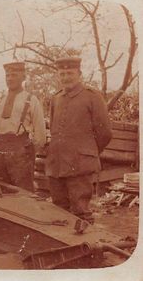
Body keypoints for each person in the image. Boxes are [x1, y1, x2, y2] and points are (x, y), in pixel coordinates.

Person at [45, 57, 112, 223]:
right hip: (57, 165)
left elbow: (105, 133)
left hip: (80, 165)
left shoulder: (92, 97)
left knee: (81, 211)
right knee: (59, 210)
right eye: (62, 73)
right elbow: (54, 130)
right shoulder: (56, 98)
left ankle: (87, 248)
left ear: (79, 74)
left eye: (70, 73)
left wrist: (87, 153)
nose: (66, 77)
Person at [0, 61, 46, 192]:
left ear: (23, 77)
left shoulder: (31, 100)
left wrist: (27, 153)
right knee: (1, 190)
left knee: (23, 192)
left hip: (20, 153)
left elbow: (40, 135)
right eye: (7, 75)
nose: (10, 79)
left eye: (14, 75)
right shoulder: (1, 101)